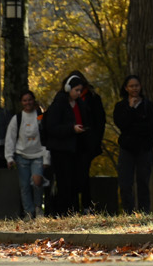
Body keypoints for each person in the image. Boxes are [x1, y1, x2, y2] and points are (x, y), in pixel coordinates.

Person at [40, 72, 105, 215]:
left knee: (76, 181)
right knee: (64, 182)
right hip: (61, 149)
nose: (78, 93)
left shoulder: (80, 104)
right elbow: (52, 127)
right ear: (69, 89)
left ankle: (74, 210)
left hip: (77, 148)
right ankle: (63, 211)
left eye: (80, 91)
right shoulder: (58, 105)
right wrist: (71, 129)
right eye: (76, 90)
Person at [113, 74, 153, 213]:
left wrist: (134, 126)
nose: (134, 89)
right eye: (131, 86)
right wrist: (131, 109)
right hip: (127, 149)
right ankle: (128, 211)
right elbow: (122, 124)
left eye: (137, 86)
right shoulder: (121, 106)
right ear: (126, 88)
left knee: (143, 181)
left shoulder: (147, 106)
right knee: (125, 182)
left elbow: (149, 126)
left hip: (144, 148)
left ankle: (144, 211)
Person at [3, 90, 52, 219]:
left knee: (37, 182)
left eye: (30, 99)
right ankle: (29, 213)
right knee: (24, 186)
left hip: (38, 155)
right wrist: (9, 157)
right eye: (25, 100)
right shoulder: (17, 118)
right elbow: (10, 138)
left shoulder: (40, 117)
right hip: (21, 156)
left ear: (33, 100)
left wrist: (46, 158)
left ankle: (38, 208)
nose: (28, 102)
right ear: (21, 103)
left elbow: (46, 137)